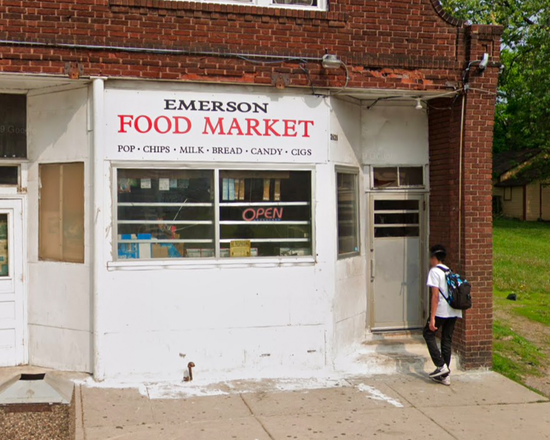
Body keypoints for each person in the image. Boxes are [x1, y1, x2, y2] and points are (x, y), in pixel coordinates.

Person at [423, 244, 462, 386]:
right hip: (454, 310)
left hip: (441, 311)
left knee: (428, 333)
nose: (429, 260)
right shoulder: (449, 270)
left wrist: (432, 318)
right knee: (446, 340)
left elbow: (435, 296)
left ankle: (441, 366)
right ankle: (445, 376)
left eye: (430, 257)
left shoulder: (434, 272)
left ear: (434, 258)